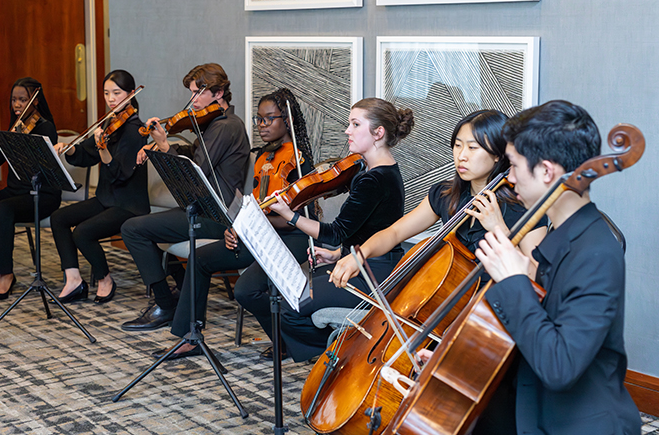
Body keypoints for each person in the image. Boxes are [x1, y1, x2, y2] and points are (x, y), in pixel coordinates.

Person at [471, 100, 641, 434]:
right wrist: (466, 361)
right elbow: (536, 332)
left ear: (546, 171)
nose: (509, 177)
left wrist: (515, 280)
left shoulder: (597, 253)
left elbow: (560, 367)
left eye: (515, 165)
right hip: (529, 405)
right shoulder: (558, 237)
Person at [155, 88, 317, 360]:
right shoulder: (264, 158)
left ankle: (289, 338)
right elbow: (255, 206)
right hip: (260, 235)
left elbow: (301, 219)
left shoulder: (299, 161)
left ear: (287, 121)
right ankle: (189, 335)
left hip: (292, 238)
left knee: (246, 290)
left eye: (269, 119)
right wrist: (237, 227)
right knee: (200, 257)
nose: (262, 126)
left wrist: (251, 227)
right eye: (258, 119)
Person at [272, 98, 414, 362]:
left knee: (289, 308)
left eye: (355, 124)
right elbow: (367, 230)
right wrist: (338, 255)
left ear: (378, 133)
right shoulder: (379, 170)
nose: (347, 130)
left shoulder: (373, 179)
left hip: (373, 274)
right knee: (292, 295)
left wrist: (290, 216)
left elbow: (335, 232)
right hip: (368, 262)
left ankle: (342, 357)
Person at [336, 109, 546, 287]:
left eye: (472, 148)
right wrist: (359, 255)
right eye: (457, 145)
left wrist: (498, 229)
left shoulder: (524, 206)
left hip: (492, 314)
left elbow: (537, 277)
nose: (461, 155)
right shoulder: (446, 194)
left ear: (498, 154)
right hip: (445, 305)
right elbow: (394, 232)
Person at [120, 63, 250, 331]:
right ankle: (178, 292)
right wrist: (160, 146)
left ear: (219, 93)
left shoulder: (227, 127)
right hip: (202, 209)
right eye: (191, 93)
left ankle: (166, 304)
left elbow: (196, 171)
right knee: (138, 227)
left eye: (197, 93)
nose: (192, 101)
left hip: (217, 216)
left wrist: (165, 145)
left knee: (133, 229)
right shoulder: (215, 124)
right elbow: (193, 152)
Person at [49, 70, 149, 304]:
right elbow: (86, 153)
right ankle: (73, 279)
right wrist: (69, 148)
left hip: (128, 204)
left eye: (117, 93)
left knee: (83, 232)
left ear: (131, 94)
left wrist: (103, 149)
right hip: (106, 199)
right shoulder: (110, 122)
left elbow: (120, 174)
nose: (111, 99)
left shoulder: (136, 131)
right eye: (106, 93)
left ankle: (105, 279)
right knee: (59, 218)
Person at [0, 77, 60, 301]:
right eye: (14, 99)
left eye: (23, 99)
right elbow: (1, 151)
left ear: (35, 100)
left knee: (2, 209)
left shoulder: (45, 127)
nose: (17, 104)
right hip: (16, 191)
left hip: (41, 195)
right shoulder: (19, 126)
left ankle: (5, 274)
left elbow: (39, 166)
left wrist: (17, 140)